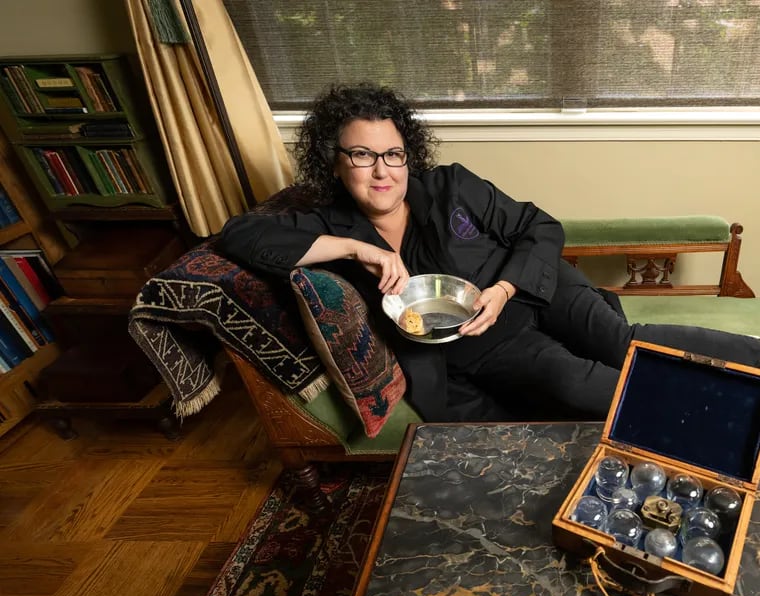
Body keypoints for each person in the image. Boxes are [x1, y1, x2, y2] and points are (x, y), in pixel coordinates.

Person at [220, 82, 760, 423]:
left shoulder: (451, 186)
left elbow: (540, 227)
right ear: (335, 161)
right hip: (479, 339)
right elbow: (237, 235)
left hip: (533, 289)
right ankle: (720, 415)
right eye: (362, 155)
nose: (382, 170)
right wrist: (354, 248)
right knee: (570, 380)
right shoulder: (326, 222)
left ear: (410, 156)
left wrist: (504, 288)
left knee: (622, 341)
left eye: (393, 154)